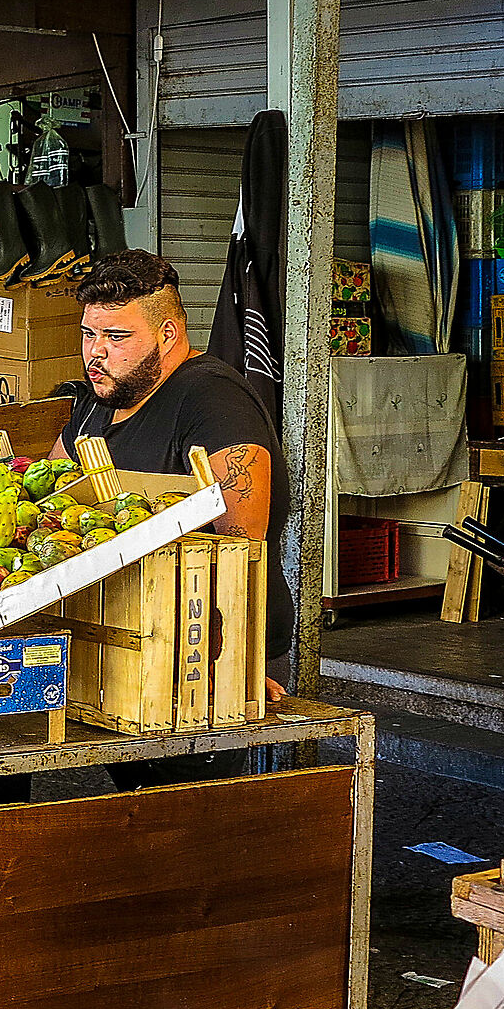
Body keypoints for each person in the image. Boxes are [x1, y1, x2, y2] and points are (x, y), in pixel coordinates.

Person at [51, 250, 295, 698]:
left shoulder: (211, 398)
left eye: (117, 337)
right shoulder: (98, 398)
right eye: (88, 334)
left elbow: (242, 544)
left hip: (204, 642)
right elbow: (51, 494)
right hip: (124, 632)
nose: (95, 352)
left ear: (167, 334)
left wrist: (230, 660)